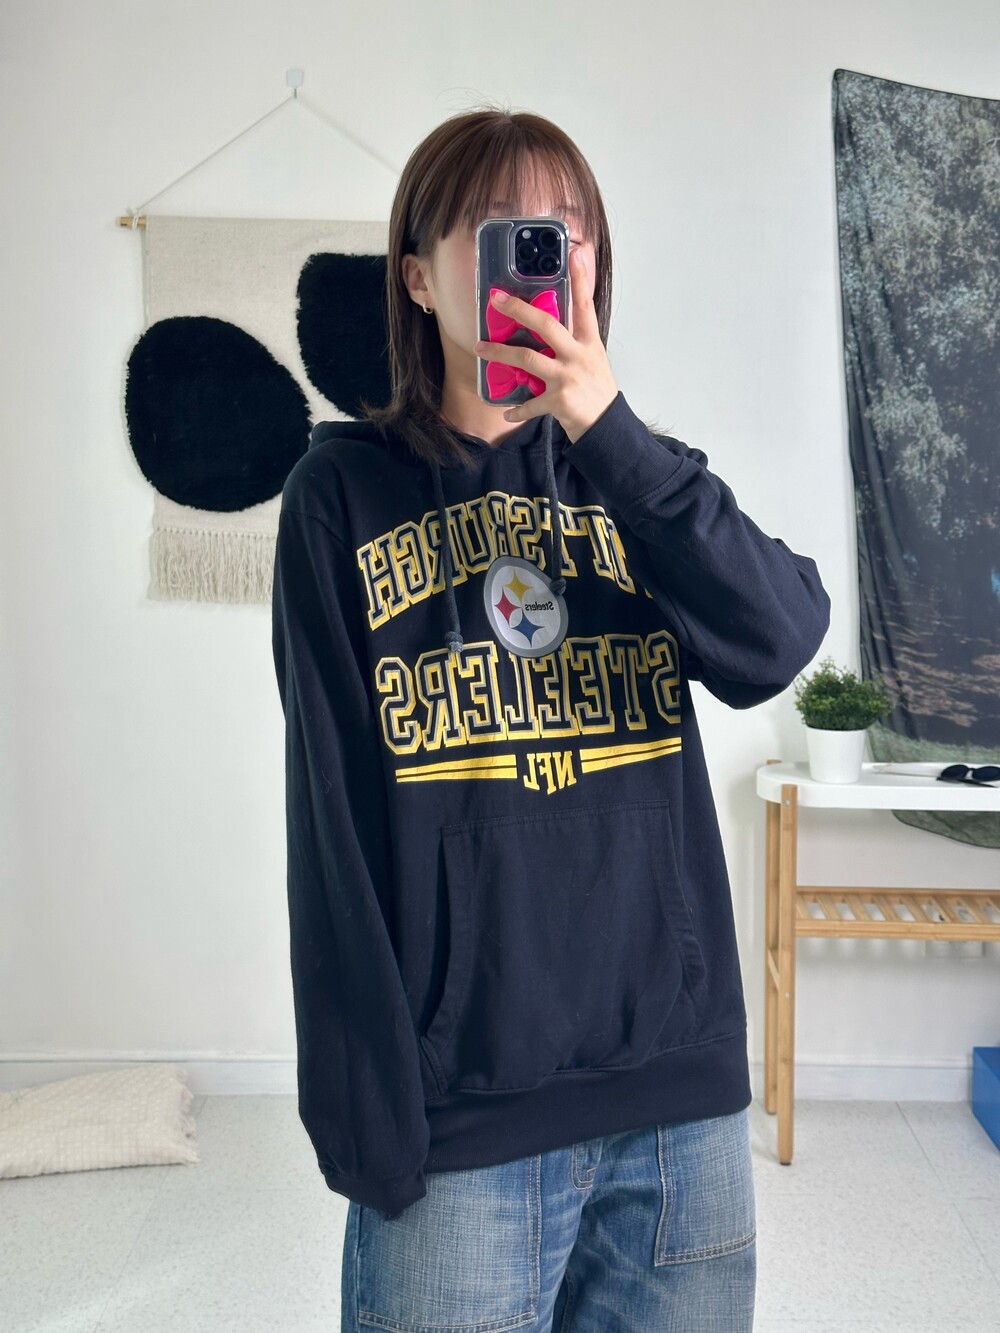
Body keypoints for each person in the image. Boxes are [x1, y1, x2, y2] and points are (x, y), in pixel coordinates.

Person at [271, 106, 830, 1333]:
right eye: (501, 229)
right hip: (464, 1121)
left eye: (566, 231)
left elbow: (779, 640)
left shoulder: (640, 479)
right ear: (421, 277)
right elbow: (331, 821)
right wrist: (369, 1117)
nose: (543, 254)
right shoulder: (339, 494)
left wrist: (607, 433)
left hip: (679, 1111)